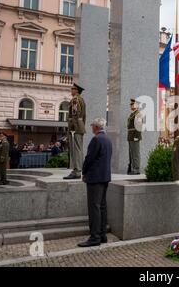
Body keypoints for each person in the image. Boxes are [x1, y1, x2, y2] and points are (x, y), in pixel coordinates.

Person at [78, 118, 113, 248]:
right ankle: (102, 235)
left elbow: (89, 158)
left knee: (94, 208)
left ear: (97, 127)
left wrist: (84, 172)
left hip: (95, 178)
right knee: (102, 207)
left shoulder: (96, 139)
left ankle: (94, 237)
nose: (91, 127)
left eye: (93, 125)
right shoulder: (108, 140)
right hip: (105, 178)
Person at [64, 83, 86, 180]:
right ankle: (78, 170)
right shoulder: (81, 100)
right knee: (78, 149)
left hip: (75, 127)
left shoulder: (75, 100)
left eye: (72, 89)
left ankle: (76, 171)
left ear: (76, 90)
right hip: (79, 126)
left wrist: (71, 128)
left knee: (75, 149)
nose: (71, 90)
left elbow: (74, 115)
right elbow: (83, 116)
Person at [127, 99, 143, 175]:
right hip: (130, 136)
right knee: (132, 153)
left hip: (134, 136)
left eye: (132, 105)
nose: (131, 106)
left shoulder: (138, 114)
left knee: (135, 153)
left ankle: (136, 169)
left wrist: (137, 136)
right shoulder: (132, 114)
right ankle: (133, 168)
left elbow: (139, 126)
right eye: (131, 105)